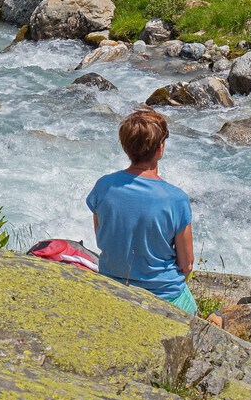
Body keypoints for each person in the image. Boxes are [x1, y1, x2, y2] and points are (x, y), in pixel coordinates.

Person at [86, 110, 210, 318]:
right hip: (164, 297)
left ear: (125, 147)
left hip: (112, 290)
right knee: (208, 322)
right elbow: (186, 265)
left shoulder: (103, 186)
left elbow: (102, 238)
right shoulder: (176, 198)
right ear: (160, 149)